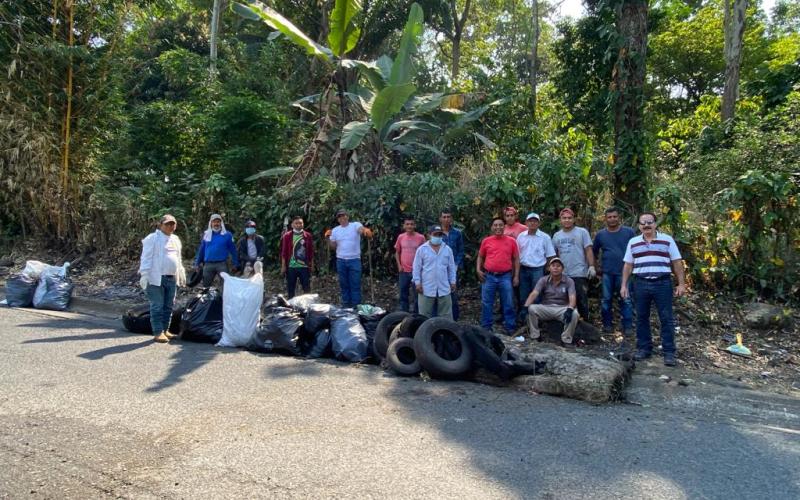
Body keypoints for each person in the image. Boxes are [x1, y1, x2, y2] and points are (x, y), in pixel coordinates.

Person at [621, 212, 686, 367]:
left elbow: (677, 262)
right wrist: (624, 285)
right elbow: (628, 265)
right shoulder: (633, 242)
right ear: (639, 226)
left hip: (662, 283)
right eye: (643, 222)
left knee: (666, 318)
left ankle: (669, 353)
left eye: (650, 222)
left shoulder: (667, 240)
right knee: (642, 317)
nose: (646, 225)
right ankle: (644, 349)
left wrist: (681, 284)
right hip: (640, 283)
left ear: (655, 224)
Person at [139, 214, 187, 343]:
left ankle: (165, 330)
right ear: (161, 225)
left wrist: (181, 272)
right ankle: (158, 332)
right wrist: (144, 274)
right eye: (167, 224)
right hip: (155, 278)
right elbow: (146, 257)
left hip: (171, 277)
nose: (170, 226)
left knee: (168, 306)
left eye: (173, 224)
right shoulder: (153, 238)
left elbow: (178, 258)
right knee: (157, 306)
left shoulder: (175, 239)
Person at [592, 207, 636, 338]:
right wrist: (596, 268)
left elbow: (636, 249)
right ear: (605, 219)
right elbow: (593, 252)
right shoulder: (601, 235)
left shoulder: (629, 232)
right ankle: (607, 325)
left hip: (625, 273)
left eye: (614, 216)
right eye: (609, 217)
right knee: (606, 300)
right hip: (607, 272)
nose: (612, 219)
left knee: (626, 300)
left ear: (619, 217)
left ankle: (627, 326)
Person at [477, 217, 520, 334]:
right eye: (495, 225)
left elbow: (516, 259)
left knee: (508, 302)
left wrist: (516, 276)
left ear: (504, 226)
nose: (498, 227)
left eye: (500, 225)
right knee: (487, 302)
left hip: (505, 276)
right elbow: (480, 256)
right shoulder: (486, 241)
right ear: (492, 227)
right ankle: (486, 327)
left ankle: (510, 327)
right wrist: (478, 270)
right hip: (488, 276)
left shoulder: (511, 241)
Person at [552, 207, 596, 322]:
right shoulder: (557, 236)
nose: (567, 220)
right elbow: (555, 255)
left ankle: (585, 324)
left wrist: (591, 266)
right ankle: (567, 325)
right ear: (560, 220)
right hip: (563, 274)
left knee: (581, 300)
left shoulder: (582, 232)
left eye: (569, 218)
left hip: (579, 272)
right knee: (564, 301)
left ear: (574, 219)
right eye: (564, 218)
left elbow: (588, 250)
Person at [523, 257, 578, 346]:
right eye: (553, 266)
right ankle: (535, 336)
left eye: (558, 266)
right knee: (532, 308)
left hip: (562, 309)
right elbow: (534, 293)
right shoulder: (543, 280)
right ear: (549, 268)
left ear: (562, 269)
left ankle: (566, 339)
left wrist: (570, 309)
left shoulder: (569, 281)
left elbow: (572, 297)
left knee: (574, 314)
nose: (555, 268)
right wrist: (525, 306)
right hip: (546, 307)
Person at [327, 209, 373, 308]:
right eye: (340, 216)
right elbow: (333, 246)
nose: (342, 218)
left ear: (348, 216)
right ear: (338, 219)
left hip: (354, 260)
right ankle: (346, 306)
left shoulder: (355, 225)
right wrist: (328, 237)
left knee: (355, 284)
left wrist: (365, 231)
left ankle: (356, 307)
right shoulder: (335, 230)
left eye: (344, 215)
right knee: (344, 285)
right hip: (341, 260)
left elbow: (360, 230)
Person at [516, 212, 556, 321]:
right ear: (526, 223)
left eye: (535, 221)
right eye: (530, 221)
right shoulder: (521, 236)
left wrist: (549, 269)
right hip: (523, 269)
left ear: (539, 223)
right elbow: (516, 255)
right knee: (523, 294)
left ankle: (536, 319)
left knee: (537, 295)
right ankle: (524, 318)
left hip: (537, 270)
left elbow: (550, 255)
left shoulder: (545, 237)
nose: (532, 223)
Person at [412, 225, 457, 320]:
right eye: (435, 234)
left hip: (444, 287)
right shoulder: (422, 249)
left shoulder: (447, 249)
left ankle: (445, 334)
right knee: (424, 316)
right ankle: (424, 334)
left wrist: (453, 281)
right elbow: (416, 268)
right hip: (426, 288)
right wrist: (417, 283)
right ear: (429, 235)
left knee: (446, 317)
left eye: (440, 235)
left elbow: (451, 268)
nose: (438, 237)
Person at [194, 213, 239, 288]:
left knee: (225, 286)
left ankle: (223, 299)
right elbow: (201, 250)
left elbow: (233, 250)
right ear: (211, 223)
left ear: (221, 223)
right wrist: (197, 263)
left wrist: (236, 264)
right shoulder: (206, 235)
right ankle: (206, 299)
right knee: (205, 286)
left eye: (218, 222)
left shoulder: (227, 235)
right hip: (208, 264)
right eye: (214, 222)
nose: (216, 224)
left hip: (222, 264)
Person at [394, 216, 426, 312]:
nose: (409, 226)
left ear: (415, 225)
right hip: (403, 271)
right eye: (407, 224)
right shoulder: (401, 237)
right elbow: (397, 252)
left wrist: (422, 269)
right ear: (404, 226)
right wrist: (399, 266)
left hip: (416, 272)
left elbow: (425, 253)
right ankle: (404, 314)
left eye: (411, 224)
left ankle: (416, 315)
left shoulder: (421, 238)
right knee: (403, 294)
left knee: (417, 295)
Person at [438, 209, 465, 320]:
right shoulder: (436, 233)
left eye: (448, 217)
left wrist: (456, 264)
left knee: (452, 292)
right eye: (444, 217)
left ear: (452, 219)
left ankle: (454, 318)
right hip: (439, 269)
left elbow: (461, 251)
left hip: (453, 269)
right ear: (440, 219)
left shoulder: (457, 233)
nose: (446, 219)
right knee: (439, 292)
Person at [280, 216, 314, 298]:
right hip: (291, 266)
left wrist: (312, 265)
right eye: (296, 223)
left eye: (300, 223)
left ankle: (308, 306)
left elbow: (311, 252)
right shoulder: (287, 236)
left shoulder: (308, 236)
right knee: (291, 289)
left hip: (304, 266)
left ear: (303, 224)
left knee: (306, 288)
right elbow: (284, 252)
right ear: (292, 225)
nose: (299, 225)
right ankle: (291, 306)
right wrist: (283, 266)